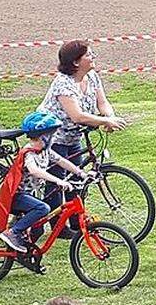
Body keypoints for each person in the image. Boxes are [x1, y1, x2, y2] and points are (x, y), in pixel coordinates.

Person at [36, 40, 127, 222]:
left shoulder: (92, 77)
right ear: (76, 62)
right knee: (56, 182)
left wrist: (109, 117)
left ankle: (76, 222)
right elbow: (77, 116)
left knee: (77, 179)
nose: (93, 57)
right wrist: (105, 120)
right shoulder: (63, 84)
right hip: (54, 137)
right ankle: (56, 225)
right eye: (88, 55)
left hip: (74, 136)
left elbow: (102, 102)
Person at [0, 112, 89, 253]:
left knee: (37, 229)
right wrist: (58, 181)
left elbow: (62, 161)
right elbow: (34, 171)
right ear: (43, 136)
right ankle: (13, 233)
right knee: (43, 208)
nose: (54, 137)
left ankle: (20, 253)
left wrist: (80, 173)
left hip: (28, 195)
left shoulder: (45, 151)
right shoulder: (29, 153)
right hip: (16, 196)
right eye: (52, 134)